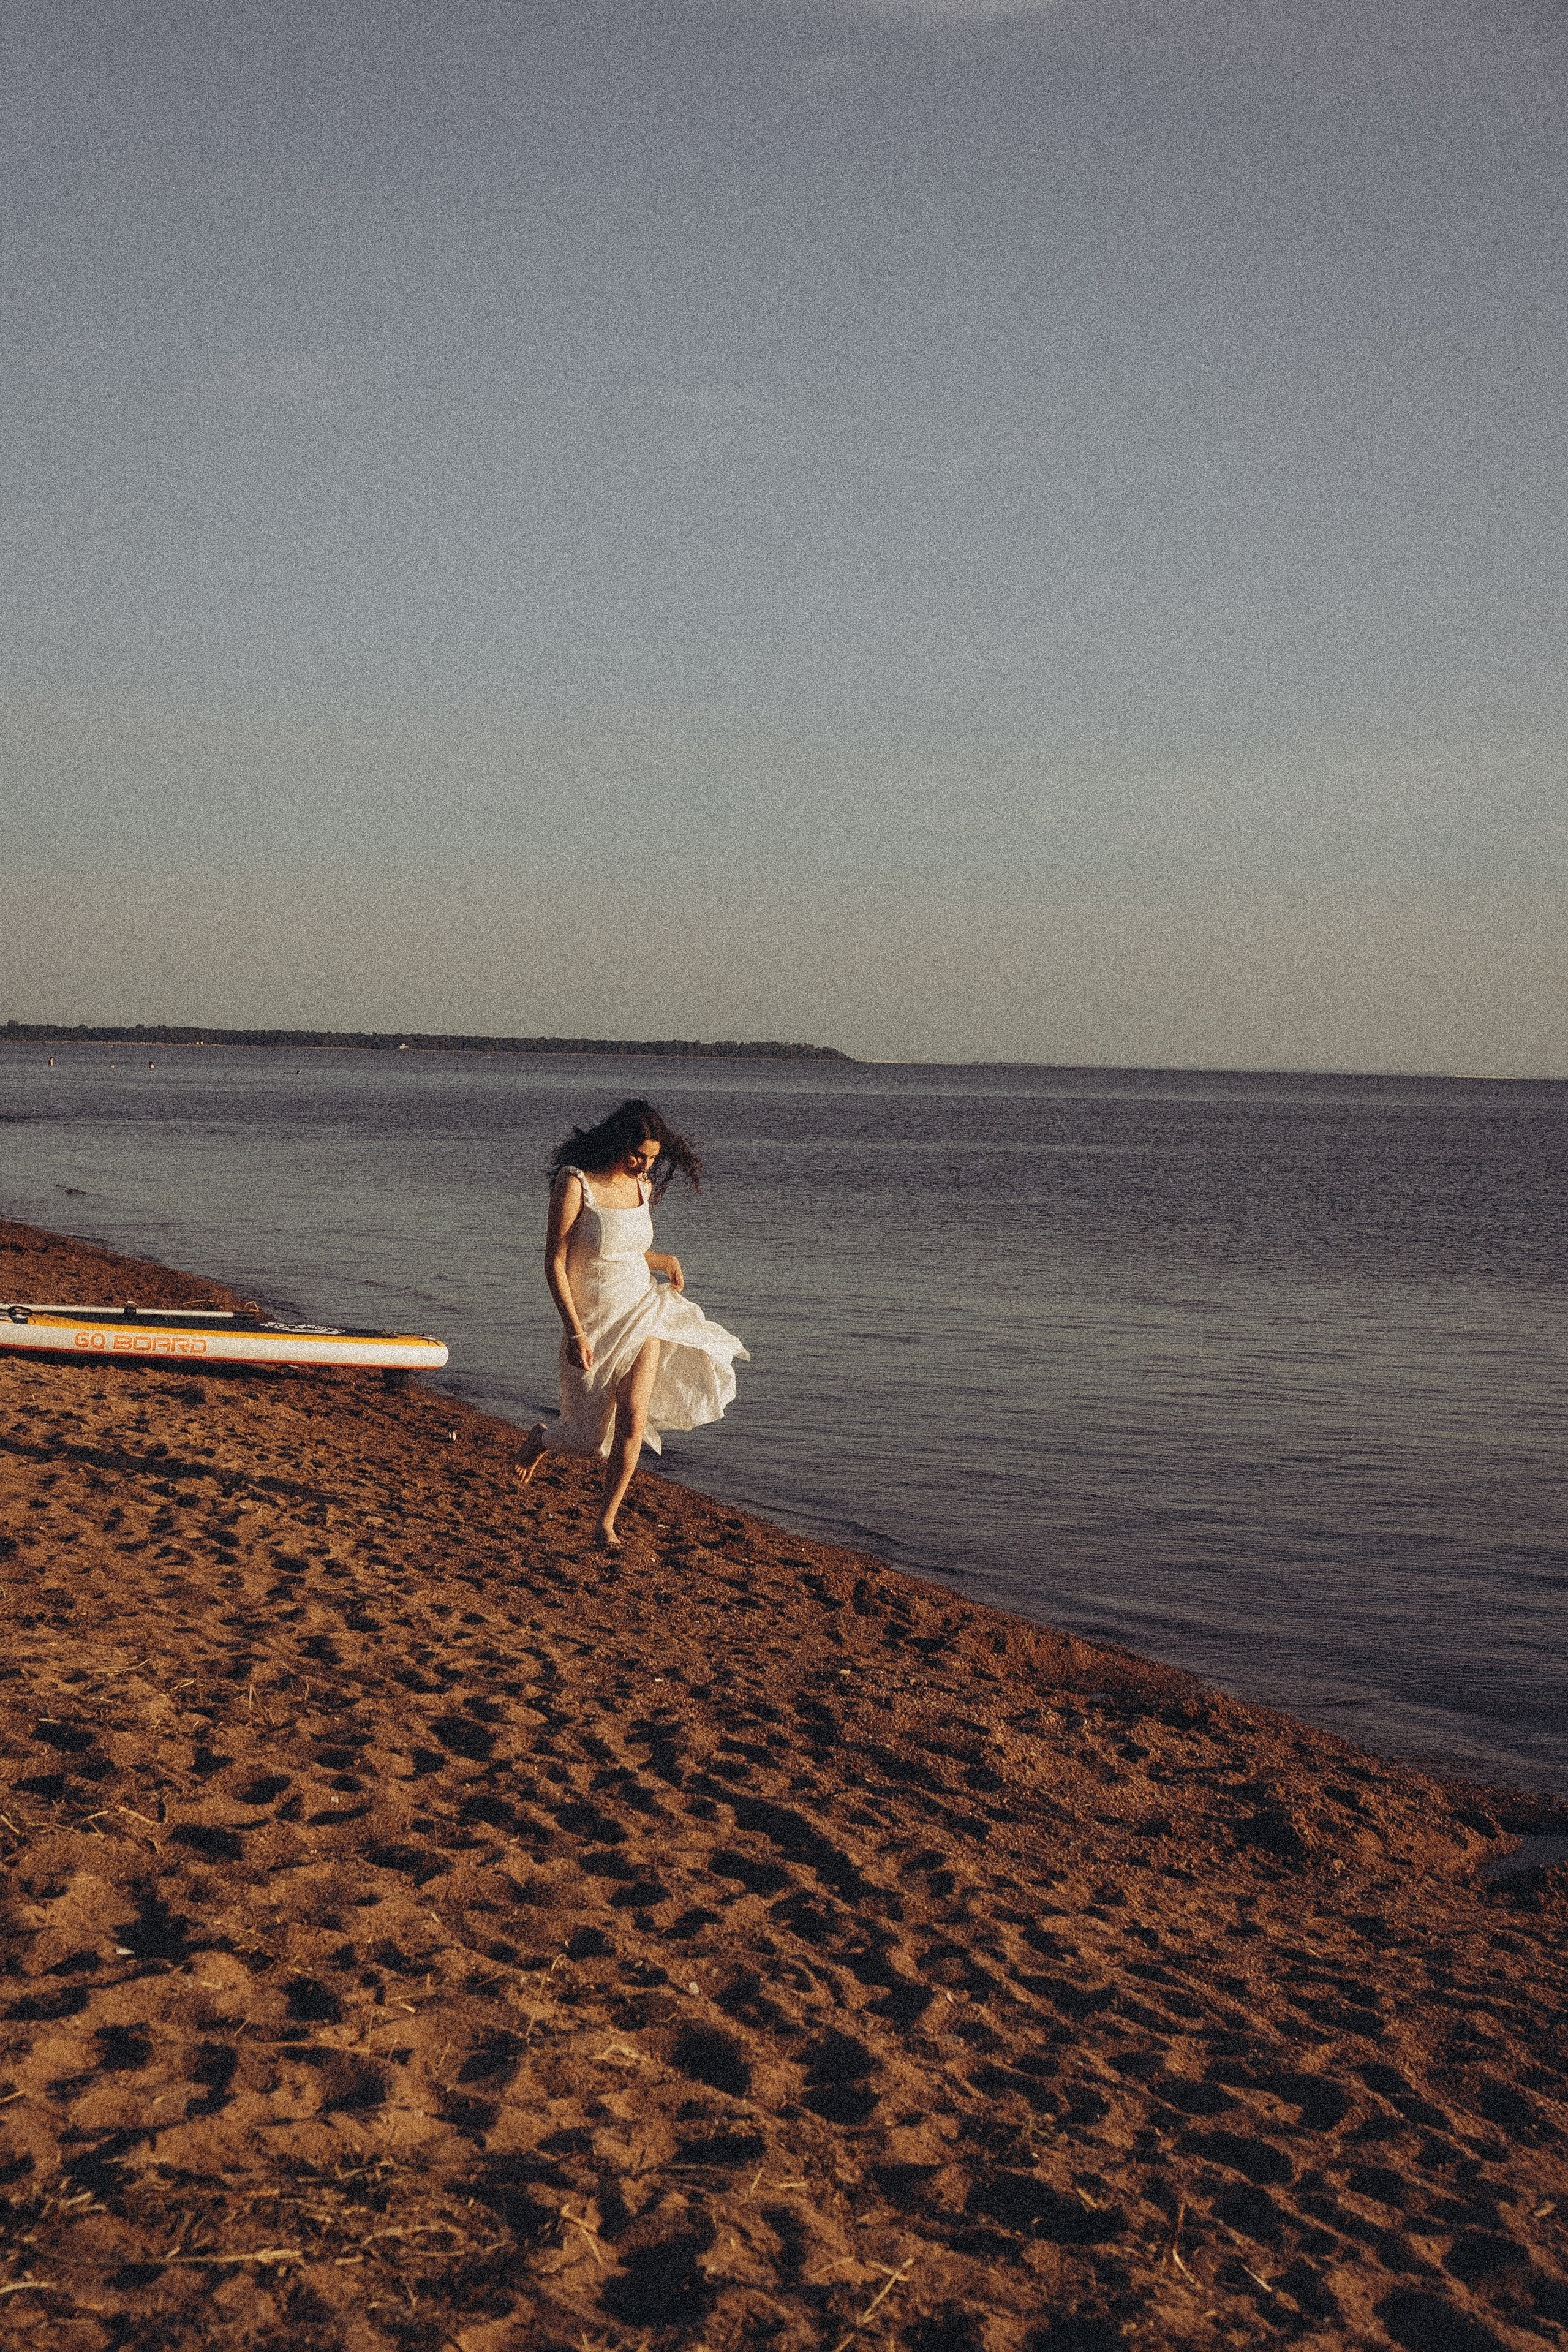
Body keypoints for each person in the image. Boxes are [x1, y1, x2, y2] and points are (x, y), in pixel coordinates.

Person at [514, 1098, 748, 1549]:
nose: (644, 1165)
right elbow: (556, 1261)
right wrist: (574, 1331)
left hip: (643, 1309)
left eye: (652, 1159)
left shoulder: (641, 1186)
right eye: (638, 1154)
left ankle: (606, 1522)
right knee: (585, 1441)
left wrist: (664, 1260)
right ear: (618, 1141)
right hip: (593, 1322)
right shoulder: (574, 1181)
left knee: (634, 1419)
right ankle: (543, 1439)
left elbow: (627, 1250)